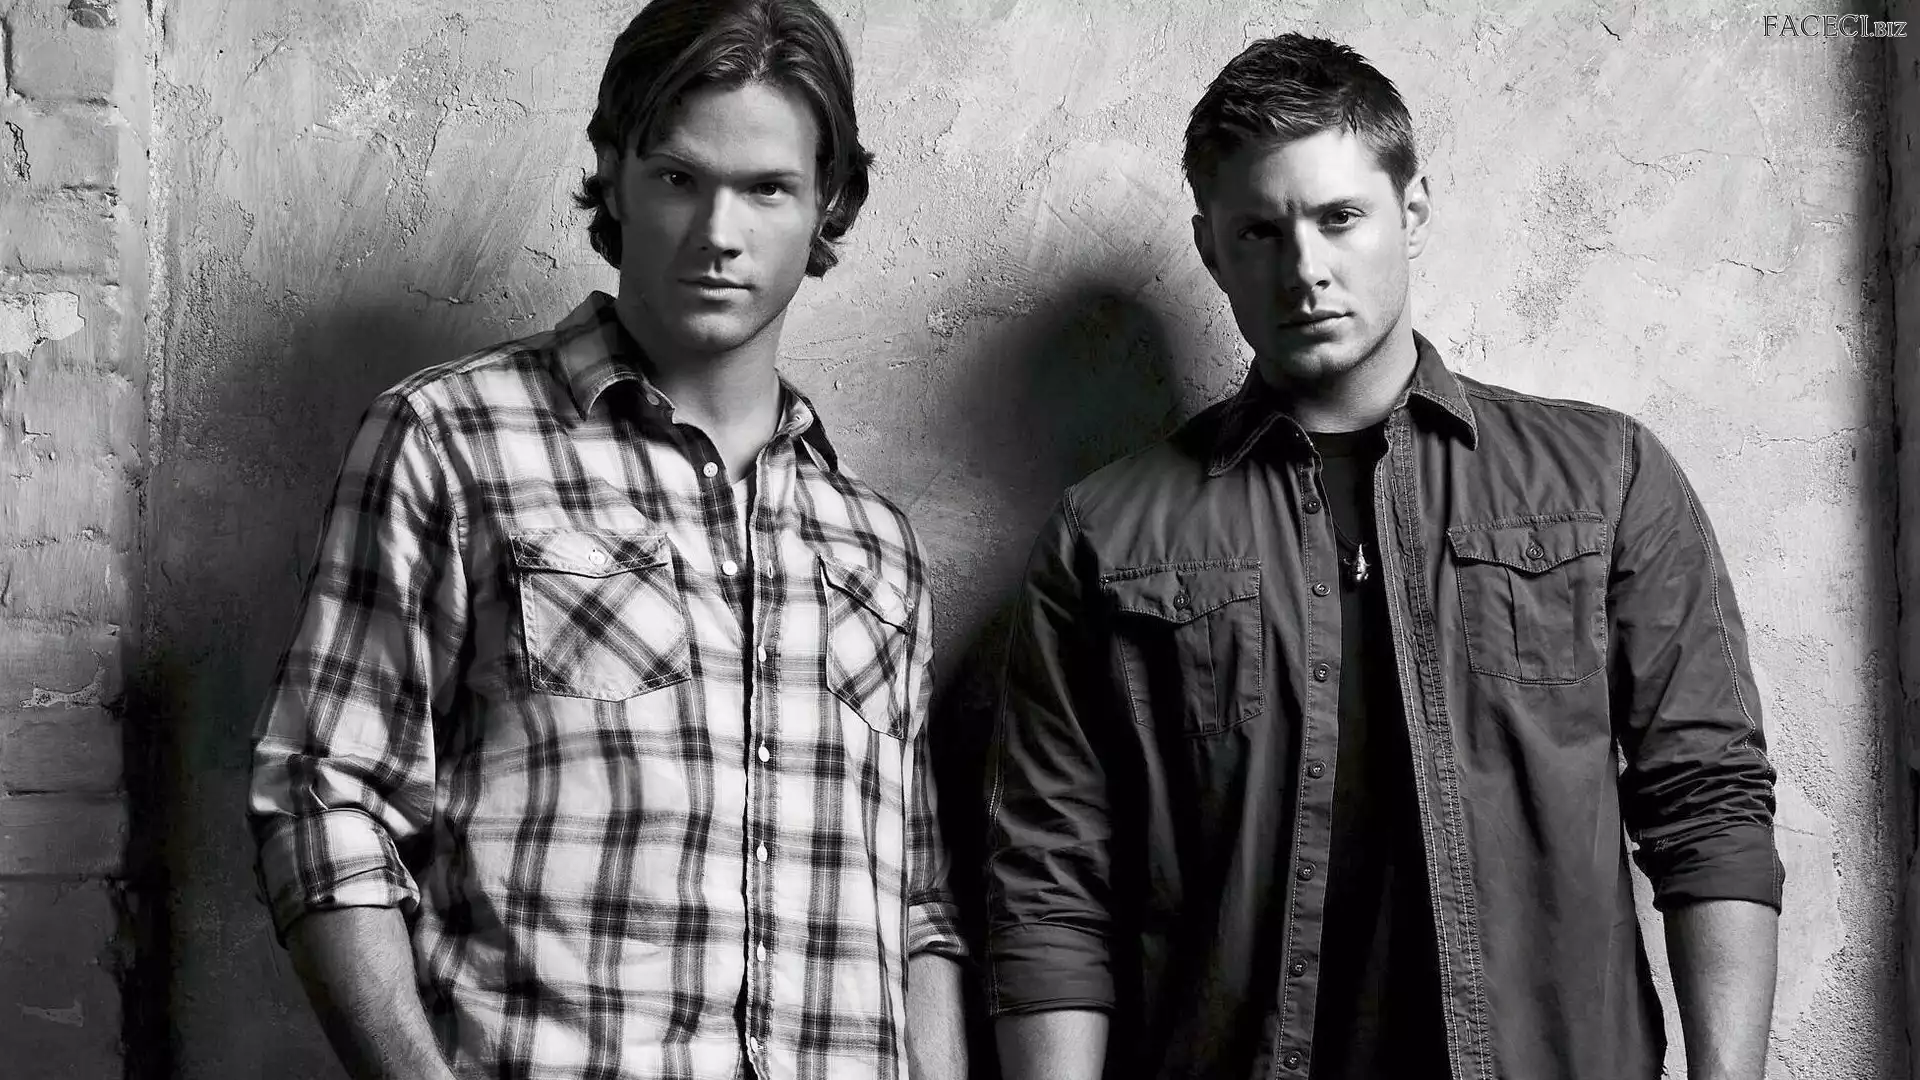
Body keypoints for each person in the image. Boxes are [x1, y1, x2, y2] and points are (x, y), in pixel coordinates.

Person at [982, 33, 1781, 1080]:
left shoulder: (1606, 478)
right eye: (1260, 231)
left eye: (1340, 217)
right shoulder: (1107, 534)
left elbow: (1709, 803)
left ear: (1413, 210)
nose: (1305, 270)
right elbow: (1050, 882)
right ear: (1211, 249)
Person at [246, 3, 968, 1077]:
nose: (718, 232)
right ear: (615, 176)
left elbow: (915, 905)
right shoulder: (452, 439)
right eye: (679, 178)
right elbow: (324, 796)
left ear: (830, 200)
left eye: (767, 188)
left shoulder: (875, 544)